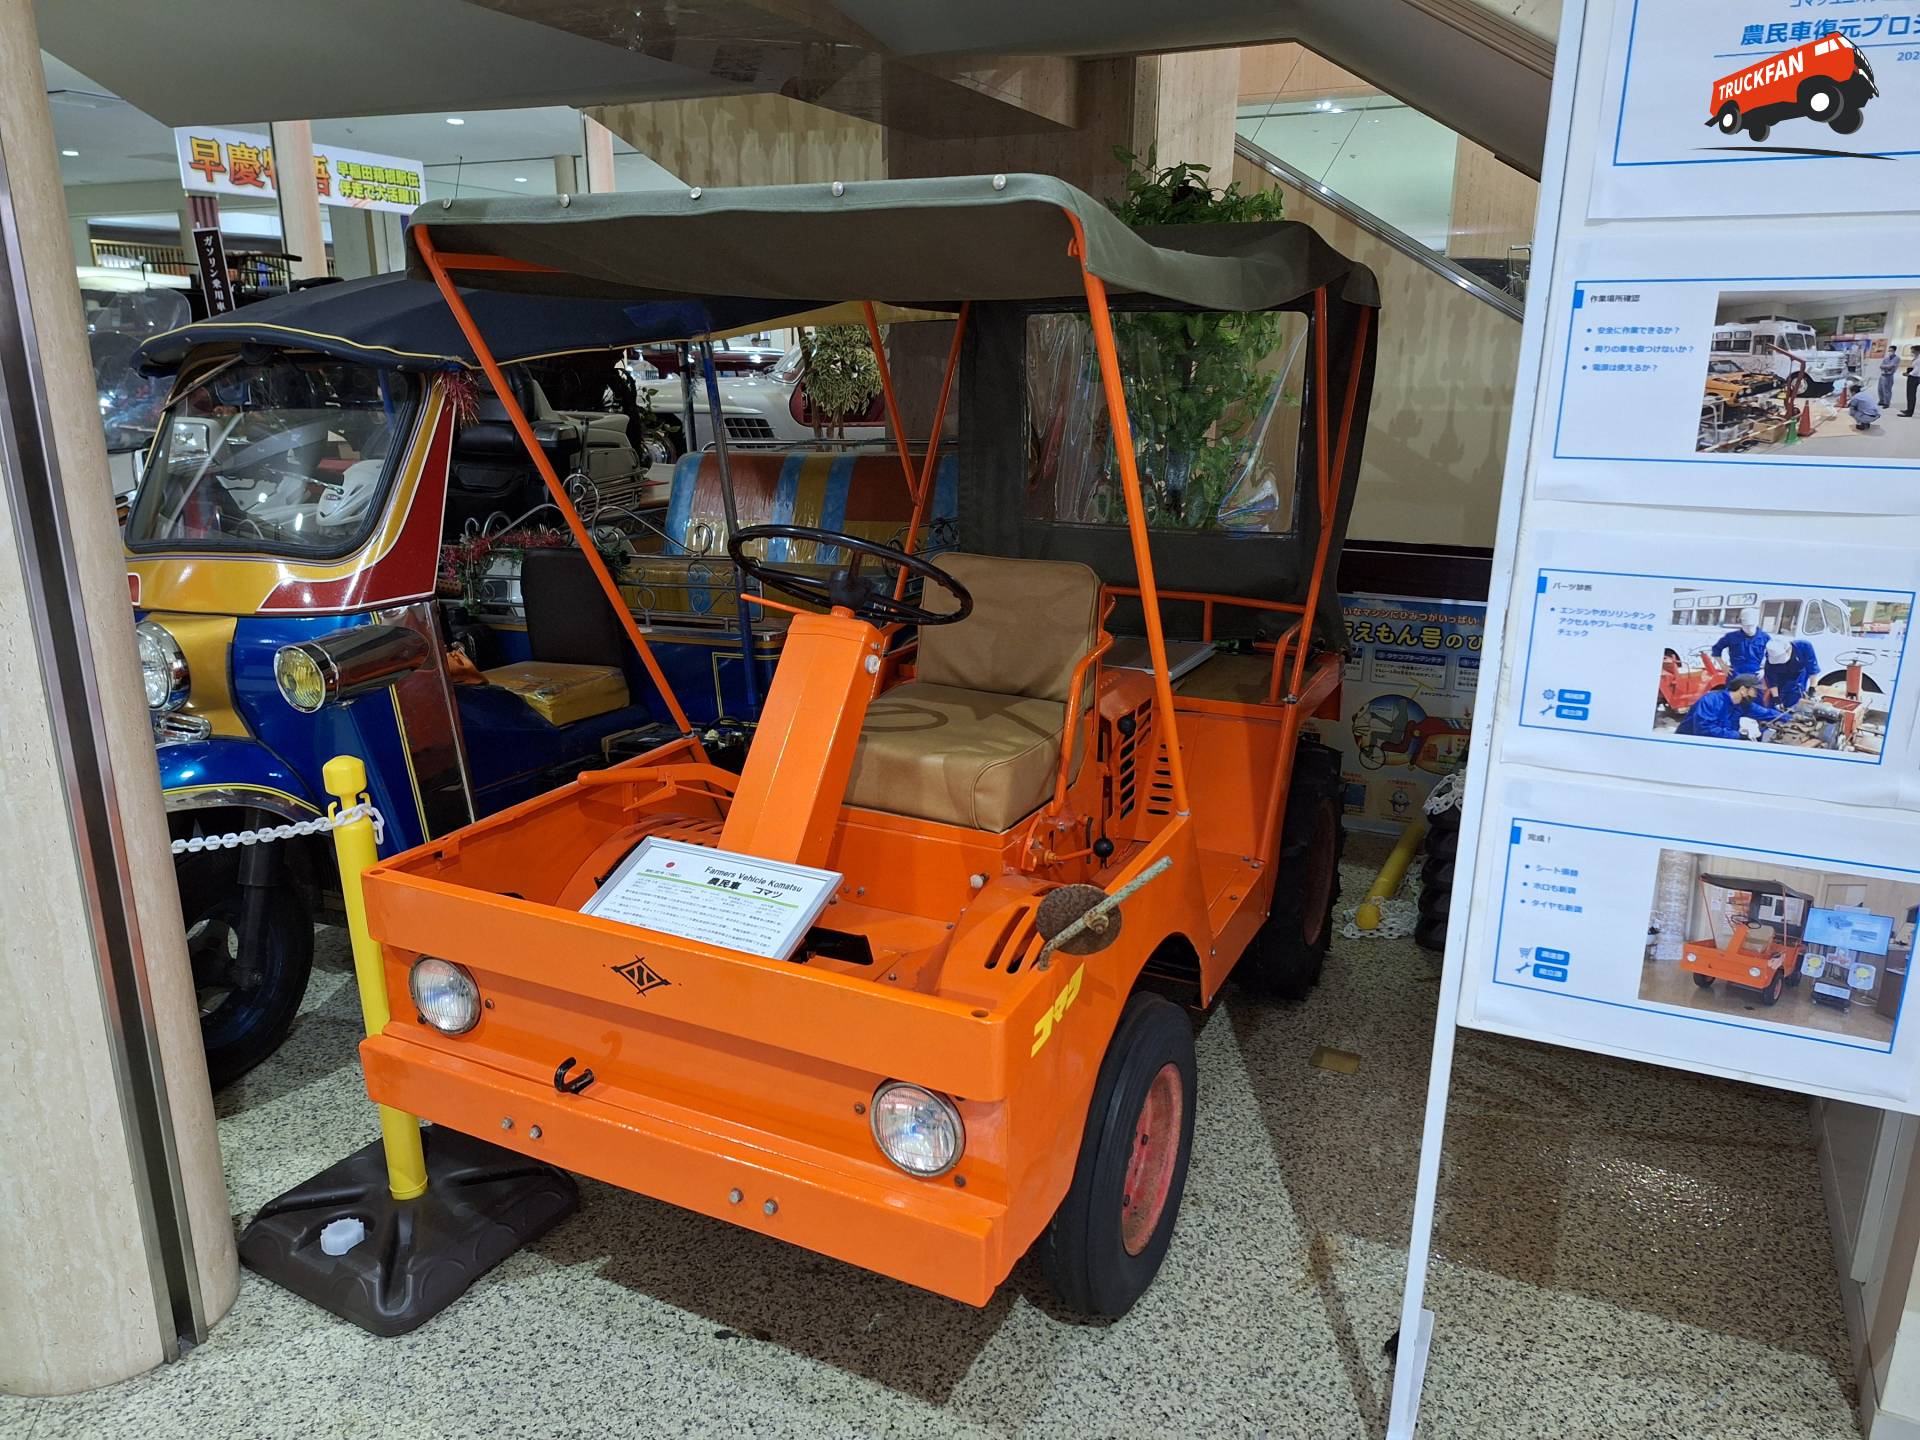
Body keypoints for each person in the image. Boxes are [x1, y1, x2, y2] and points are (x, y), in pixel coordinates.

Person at [1676, 673, 1784, 740]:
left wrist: (1791, 718)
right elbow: (1704, 729)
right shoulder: (1711, 700)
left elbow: (1766, 714)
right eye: (1754, 691)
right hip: (1688, 744)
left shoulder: (1743, 704)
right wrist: (1738, 735)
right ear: (1743, 690)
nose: (1756, 695)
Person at [1763, 636, 1820, 710]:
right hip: (1781, 678)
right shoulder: (1770, 658)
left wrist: (1812, 688)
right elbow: (1772, 680)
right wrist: (1776, 699)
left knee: (1795, 698)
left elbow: (1812, 669)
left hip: (1799, 675)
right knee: (1775, 705)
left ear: (1788, 650)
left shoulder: (1804, 647)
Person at [1710, 607, 1771, 675]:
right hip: (1735, 673)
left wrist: (1764, 670)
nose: (1748, 628)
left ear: (1756, 623)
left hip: (1755, 675)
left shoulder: (1765, 638)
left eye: (1751, 626)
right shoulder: (1731, 637)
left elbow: (1772, 656)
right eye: (1745, 625)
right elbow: (1716, 649)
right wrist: (1723, 666)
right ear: (1741, 623)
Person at [1880, 344, 1900, 408]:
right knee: (1880, 389)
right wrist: (1886, 367)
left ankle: (1886, 403)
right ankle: (1881, 401)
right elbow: (1881, 366)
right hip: (1882, 374)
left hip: (1889, 376)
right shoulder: (1886, 358)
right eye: (1889, 350)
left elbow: (1891, 366)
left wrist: (1885, 367)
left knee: (1887, 390)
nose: (1889, 351)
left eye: (1891, 350)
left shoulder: (1897, 358)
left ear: (1894, 351)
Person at [1902, 345, 1920, 418]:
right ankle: (1908, 409)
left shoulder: (1919, 359)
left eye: (1912, 350)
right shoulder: (1916, 358)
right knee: (1909, 394)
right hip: (1913, 377)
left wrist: (1908, 374)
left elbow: (1917, 370)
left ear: (1917, 350)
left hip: (1914, 378)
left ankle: (1909, 412)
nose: (1911, 351)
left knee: (1911, 395)